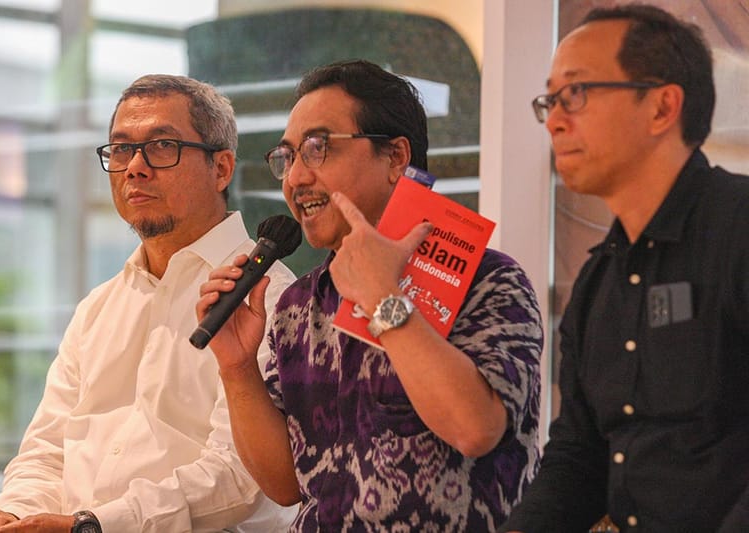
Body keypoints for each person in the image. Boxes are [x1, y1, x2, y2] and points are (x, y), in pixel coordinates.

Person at [196, 59, 543, 532]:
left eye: (317, 149)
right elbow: (286, 485)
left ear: (396, 157)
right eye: (288, 157)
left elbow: (475, 429)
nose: (295, 179)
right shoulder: (297, 305)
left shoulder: (490, 280)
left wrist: (383, 298)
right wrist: (237, 368)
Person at [0, 74, 297, 533]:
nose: (135, 167)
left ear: (221, 168)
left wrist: (92, 524)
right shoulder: (98, 307)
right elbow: (47, 451)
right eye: (121, 149)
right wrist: (15, 511)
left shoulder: (271, 297)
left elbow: (239, 477)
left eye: (162, 146)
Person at [501, 4, 749, 532]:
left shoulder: (738, 229)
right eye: (550, 100)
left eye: (576, 93)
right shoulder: (598, 282)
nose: (555, 120)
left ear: (662, 107)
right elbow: (579, 457)